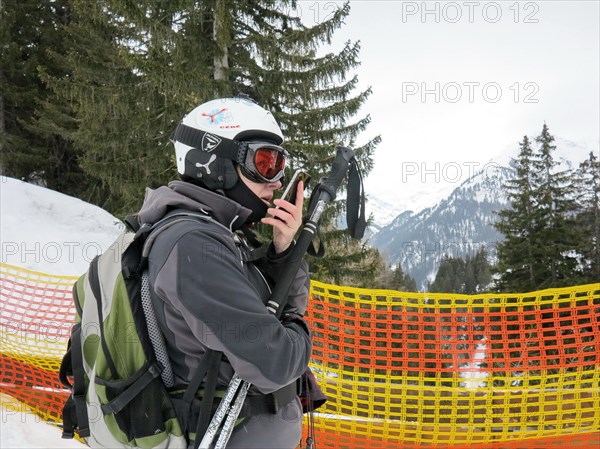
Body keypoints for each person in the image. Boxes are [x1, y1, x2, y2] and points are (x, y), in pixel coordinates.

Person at [136, 96, 312, 448]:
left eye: (280, 165)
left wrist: (284, 251)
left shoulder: (219, 234)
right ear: (214, 163)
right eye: (264, 162)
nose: (276, 181)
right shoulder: (193, 245)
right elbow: (275, 362)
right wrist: (299, 328)